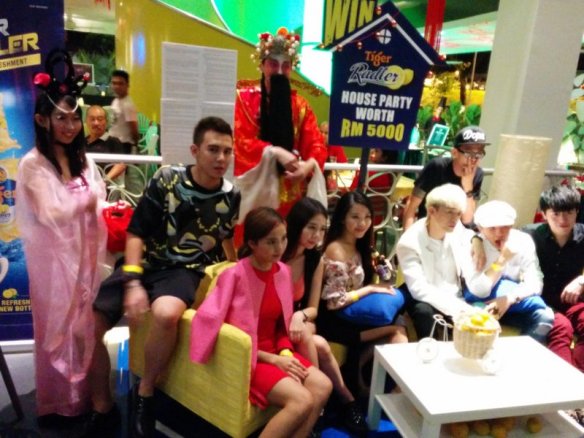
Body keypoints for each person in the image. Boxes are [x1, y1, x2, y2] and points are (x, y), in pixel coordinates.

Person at [86, 117, 238, 437]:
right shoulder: (167, 179)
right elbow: (136, 232)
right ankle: (102, 406)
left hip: (185, 269)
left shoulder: (230, 195)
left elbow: (226, 237)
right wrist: (132, 282)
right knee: (87, 326)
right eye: (213, 149)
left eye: (227, 151)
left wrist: (236, 269)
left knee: (166, 313)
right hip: (146, 262)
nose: (221, 158)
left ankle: (146, 392)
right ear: (195, 150)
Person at [15, 49, 107, 426]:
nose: (70, 126)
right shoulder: (32, 165)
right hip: (54, 264)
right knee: (58, 330)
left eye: (74, 118)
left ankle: (88, 398)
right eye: (61, 119)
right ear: (42, 120)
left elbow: (99, 196)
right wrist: (87, 202)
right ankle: (59, 404)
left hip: (85, 258)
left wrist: (102, 206)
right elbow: (48, 214)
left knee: (86, 330)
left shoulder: (83, 160)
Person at [190, 207, 332, 438]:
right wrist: (274, 359)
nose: (280, 247)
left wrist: (285, 352)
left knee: (323, 385)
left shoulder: (283, 272)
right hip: (250, 359)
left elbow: (282, 324)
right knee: (302, 400)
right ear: (252, 243)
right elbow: (212, 322)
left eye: (283, 239)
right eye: (271, 242)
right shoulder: (234, 275)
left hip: (278, 353)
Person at [282, 198, 367, 435]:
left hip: (299, 323)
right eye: (311, 227)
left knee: (311, 334)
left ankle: (332, 403)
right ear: (296, 224)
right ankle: (334, 402)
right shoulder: (277, 253)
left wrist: (299, 315)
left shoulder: (315, 260)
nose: (317, 236)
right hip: (276, 326)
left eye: (322, 229)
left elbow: (313, 309)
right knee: (319, 344)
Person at [234, 27, 327, 227]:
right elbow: (238, 142)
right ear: (262, 65)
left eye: (285, 66)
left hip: (290, 192)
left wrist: (308, 166)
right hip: (253, 193)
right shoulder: (242, 100)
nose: (279, 71)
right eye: (273, 64)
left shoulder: (300, 106)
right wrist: (273, 152)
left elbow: (317, 144)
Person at [319, 191, 408, 394]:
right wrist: (370, 288)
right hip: (335, 321)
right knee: (397, 327)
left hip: (354, 313)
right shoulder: (336, 250)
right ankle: (387, 389)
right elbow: (334, 302)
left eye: (367, 217)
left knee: (398, 317)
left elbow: (365, 284)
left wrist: (383, 276)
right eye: (355, 217)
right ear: (342, 218)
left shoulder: (360, 245)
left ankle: (382, 385)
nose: (363, 223)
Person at [462, 200, 554, 343]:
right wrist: (502, 260)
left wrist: (509, 299)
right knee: (477, 315)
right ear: (480, 228)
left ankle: (522, 354)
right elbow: (479, 291)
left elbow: (536, 282)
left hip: (512, 301)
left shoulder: (522, 240)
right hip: (482, 302)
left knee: (546, 317)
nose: (499, 233)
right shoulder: (473, 245)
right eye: (492, 228)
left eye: (505, 227)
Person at [396, 184, 478, 338]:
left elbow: (468, 234)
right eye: (449, 212)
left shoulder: (455, 227)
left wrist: (477, 241)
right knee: (423, 312)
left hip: (456, 293)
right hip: (426, 298)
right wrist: (459, 309)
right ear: (431, 211)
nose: (455, 219)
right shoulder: (409, 242)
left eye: (458, 213)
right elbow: (419, 289)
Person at [523, 186, 584, 370]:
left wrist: (581, 281)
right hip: (540, 301)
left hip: (573, 300)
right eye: (556, 213)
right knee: (562, 327)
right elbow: (488, 235)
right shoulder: (530, 235)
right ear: (544, 214)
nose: (563, 220)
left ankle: (577, 376)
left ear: (577, 212)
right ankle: (564, 377)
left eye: (569, 213)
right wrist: (475, 241)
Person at [402, 125, 489, 230]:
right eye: (468, 153)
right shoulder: (436, 167)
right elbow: (412, 205)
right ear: (454, 153)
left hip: (456, 233)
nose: (474, 159)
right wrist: (408, 235)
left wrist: (468, 187)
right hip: (428, 229)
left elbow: (467, 219)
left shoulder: (477, 174)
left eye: (479, 153)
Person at [85, 104, 129, 180]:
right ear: (86, 121)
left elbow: (121, 164)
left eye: (100, 119)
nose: (96, 123)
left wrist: (104, 181)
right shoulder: (82, 142)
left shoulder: (113, 141)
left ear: (106, 122)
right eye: (92, 119)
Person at [109, 70, 139, 149]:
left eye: (120, 83)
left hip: (123, 145)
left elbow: (134, 129)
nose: (116, 86)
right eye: (114, 83)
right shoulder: (116, 100)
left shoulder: (128, 104)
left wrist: (135, 146)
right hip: (113, 143)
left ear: (127, 85)